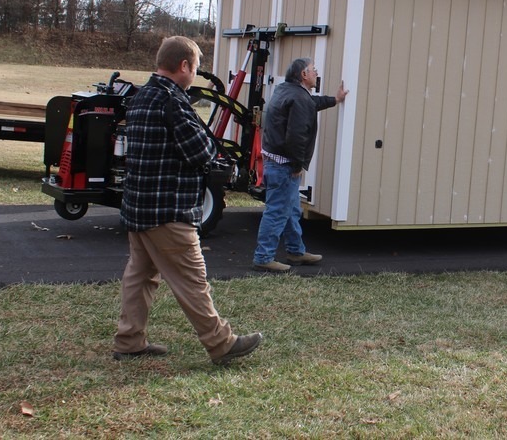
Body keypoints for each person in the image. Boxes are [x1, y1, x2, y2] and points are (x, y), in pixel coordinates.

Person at [113, 36, 262, 365]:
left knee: (140, 275)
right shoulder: (173, 101)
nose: (194, 73)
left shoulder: (141, 97)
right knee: (193, 278)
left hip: (139, 205)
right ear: (183, 66)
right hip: (168, 208)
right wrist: (215, 155)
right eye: (194, 67)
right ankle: (221, 343)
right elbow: (200, 151)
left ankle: (129, 340)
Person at [253, 57, 348, 272]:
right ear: (303, 75)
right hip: (285, 165)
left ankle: (295, 251)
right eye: (313, 70)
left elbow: (311, 103)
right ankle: (263, 257)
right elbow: (296, 136)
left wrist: (335, 99)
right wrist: (298, 164)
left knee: (291, 210)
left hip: (274, 161)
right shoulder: (299, 98)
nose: (316, 73)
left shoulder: (285, 90)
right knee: (277, 211)